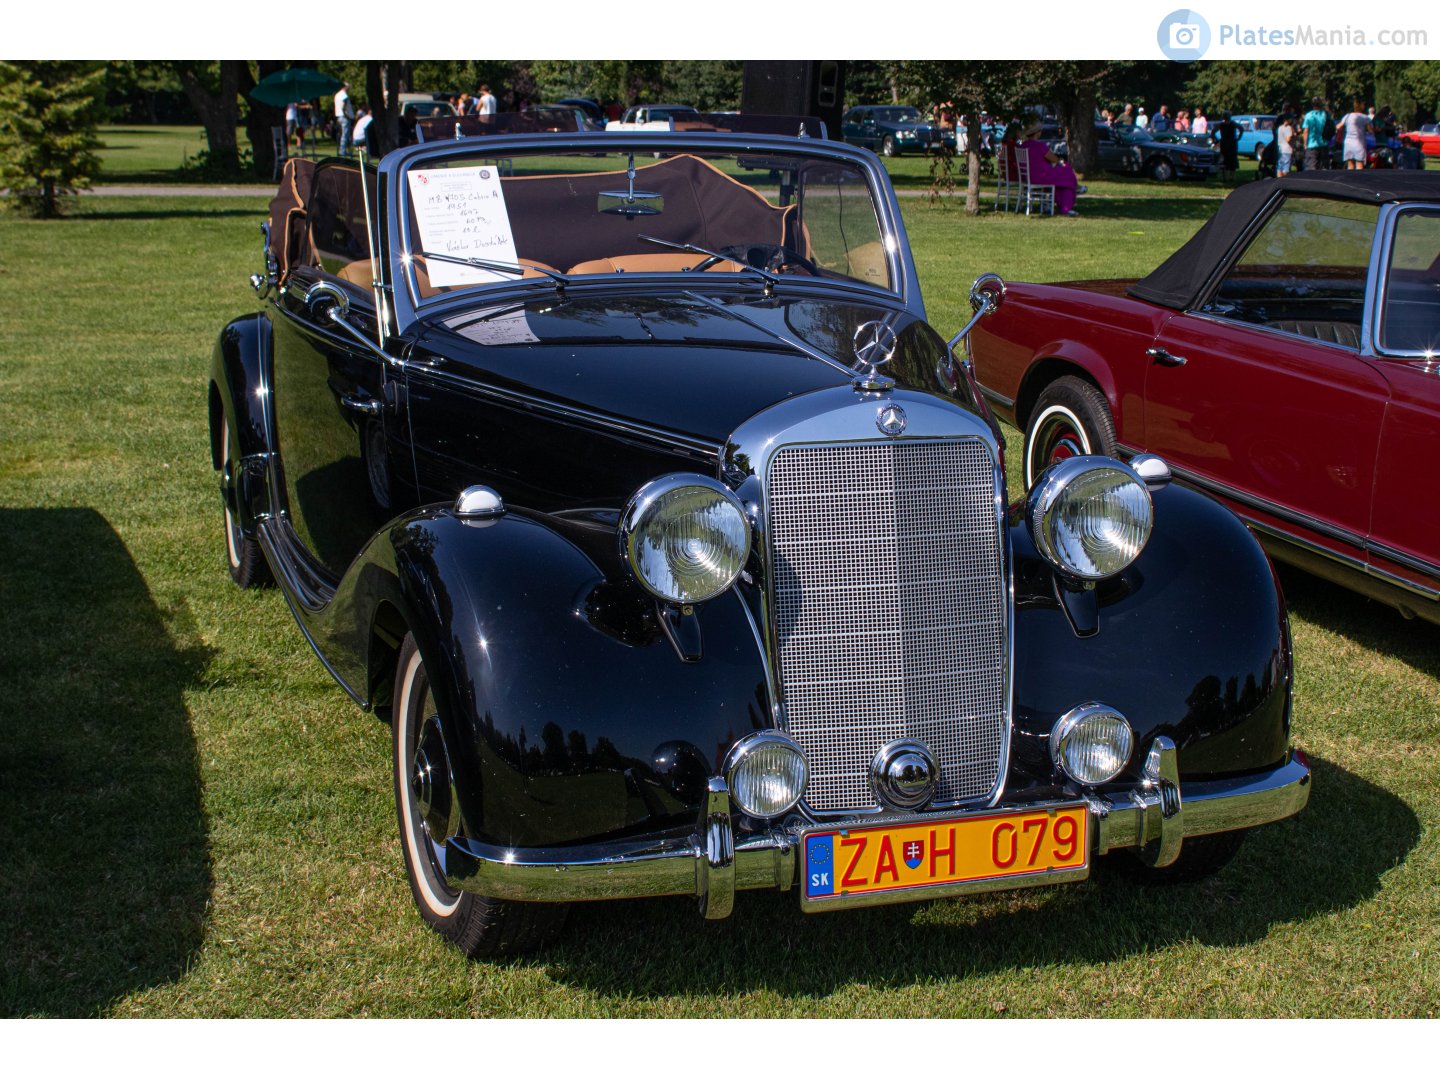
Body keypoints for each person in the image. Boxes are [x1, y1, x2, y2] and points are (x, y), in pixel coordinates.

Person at [1019, 119, 1081, 216]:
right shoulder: (1040, 146)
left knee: (1063, 178)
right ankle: (1071, 195)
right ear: (1037, 133)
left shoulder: (1023, 146)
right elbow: (1054, 160)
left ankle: (1069, 194)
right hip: (1041, 177)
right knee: (1066, 171)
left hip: (1029, 177)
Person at [1338, 98, 1371, 169]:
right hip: (1359, 143)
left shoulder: (1347, 116)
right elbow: (1371, 130)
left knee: (1350, 165)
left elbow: (1338, 127)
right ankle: (1358, 179)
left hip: (1348, 143)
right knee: (1359, 164)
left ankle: (1350, 179)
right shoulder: (1365, 117)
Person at [1303, 97, 1332, 170]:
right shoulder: (1326, 114)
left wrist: (1305, 144)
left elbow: (1306, 131)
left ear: (1312, 104)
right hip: (1324, 144)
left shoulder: (1309, 115)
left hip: (1311, 145)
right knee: (1324, 168)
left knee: (1311, 168)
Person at [1214, 112, 1241, 181]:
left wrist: (1217, 140)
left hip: (1227, 143)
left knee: (1227, 160)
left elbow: (1213, 132)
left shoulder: (1223, 125)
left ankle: (1227, 177)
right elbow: (1241, 128)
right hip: (1231, 143)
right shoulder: (1232, 124)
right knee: (1230, 160)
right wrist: (1238, 137)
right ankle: (1230, 177)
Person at [334, 82, 354, 155]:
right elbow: (343, 105)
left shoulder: (337, 95)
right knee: (345, 134)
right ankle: (342, 151)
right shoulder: (343, 94)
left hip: (338, 115)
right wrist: (346, 114)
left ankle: (343, 150)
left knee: (342, 134)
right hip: (344, 116)